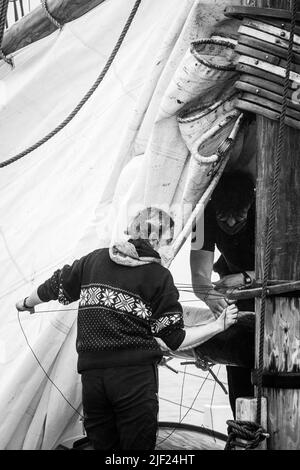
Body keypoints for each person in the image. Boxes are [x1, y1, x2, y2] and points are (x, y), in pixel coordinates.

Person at [16, 207, 238, 451]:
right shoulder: (158, 276)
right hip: (133, 381)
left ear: (132, 231)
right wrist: (218, 325)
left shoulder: (94, 260)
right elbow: (176, 339)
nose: (168, 247)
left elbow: (54, 285)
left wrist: (26, 302)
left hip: (93, 381)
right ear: (156, 240)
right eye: (169, 241)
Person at [190, 171, 255, 416]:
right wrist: (209, 296)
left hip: (277, 294)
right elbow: (199, 275)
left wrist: (246, 277)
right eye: (223, 218)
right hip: (235, 295)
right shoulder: (202, 218)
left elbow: (289, 270)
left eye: (238, 218)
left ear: (251, 205)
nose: (230, 224)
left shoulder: (271, 211)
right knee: (238, 370)